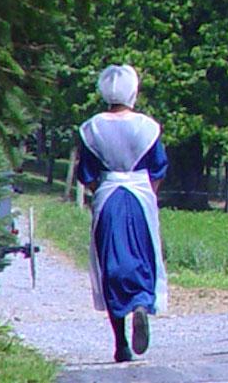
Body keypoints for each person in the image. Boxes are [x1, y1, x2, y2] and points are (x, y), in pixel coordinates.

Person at [77, 64, 168, 363]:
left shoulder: (91, 128)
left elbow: (86, 174)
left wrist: (99, 189)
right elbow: (158, 166)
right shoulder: (148, 127)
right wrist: (147, 188)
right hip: (140, 194)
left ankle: (121, 342)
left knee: (111, 263)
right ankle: (142, 302)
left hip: (108, 195)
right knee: (143, 254)